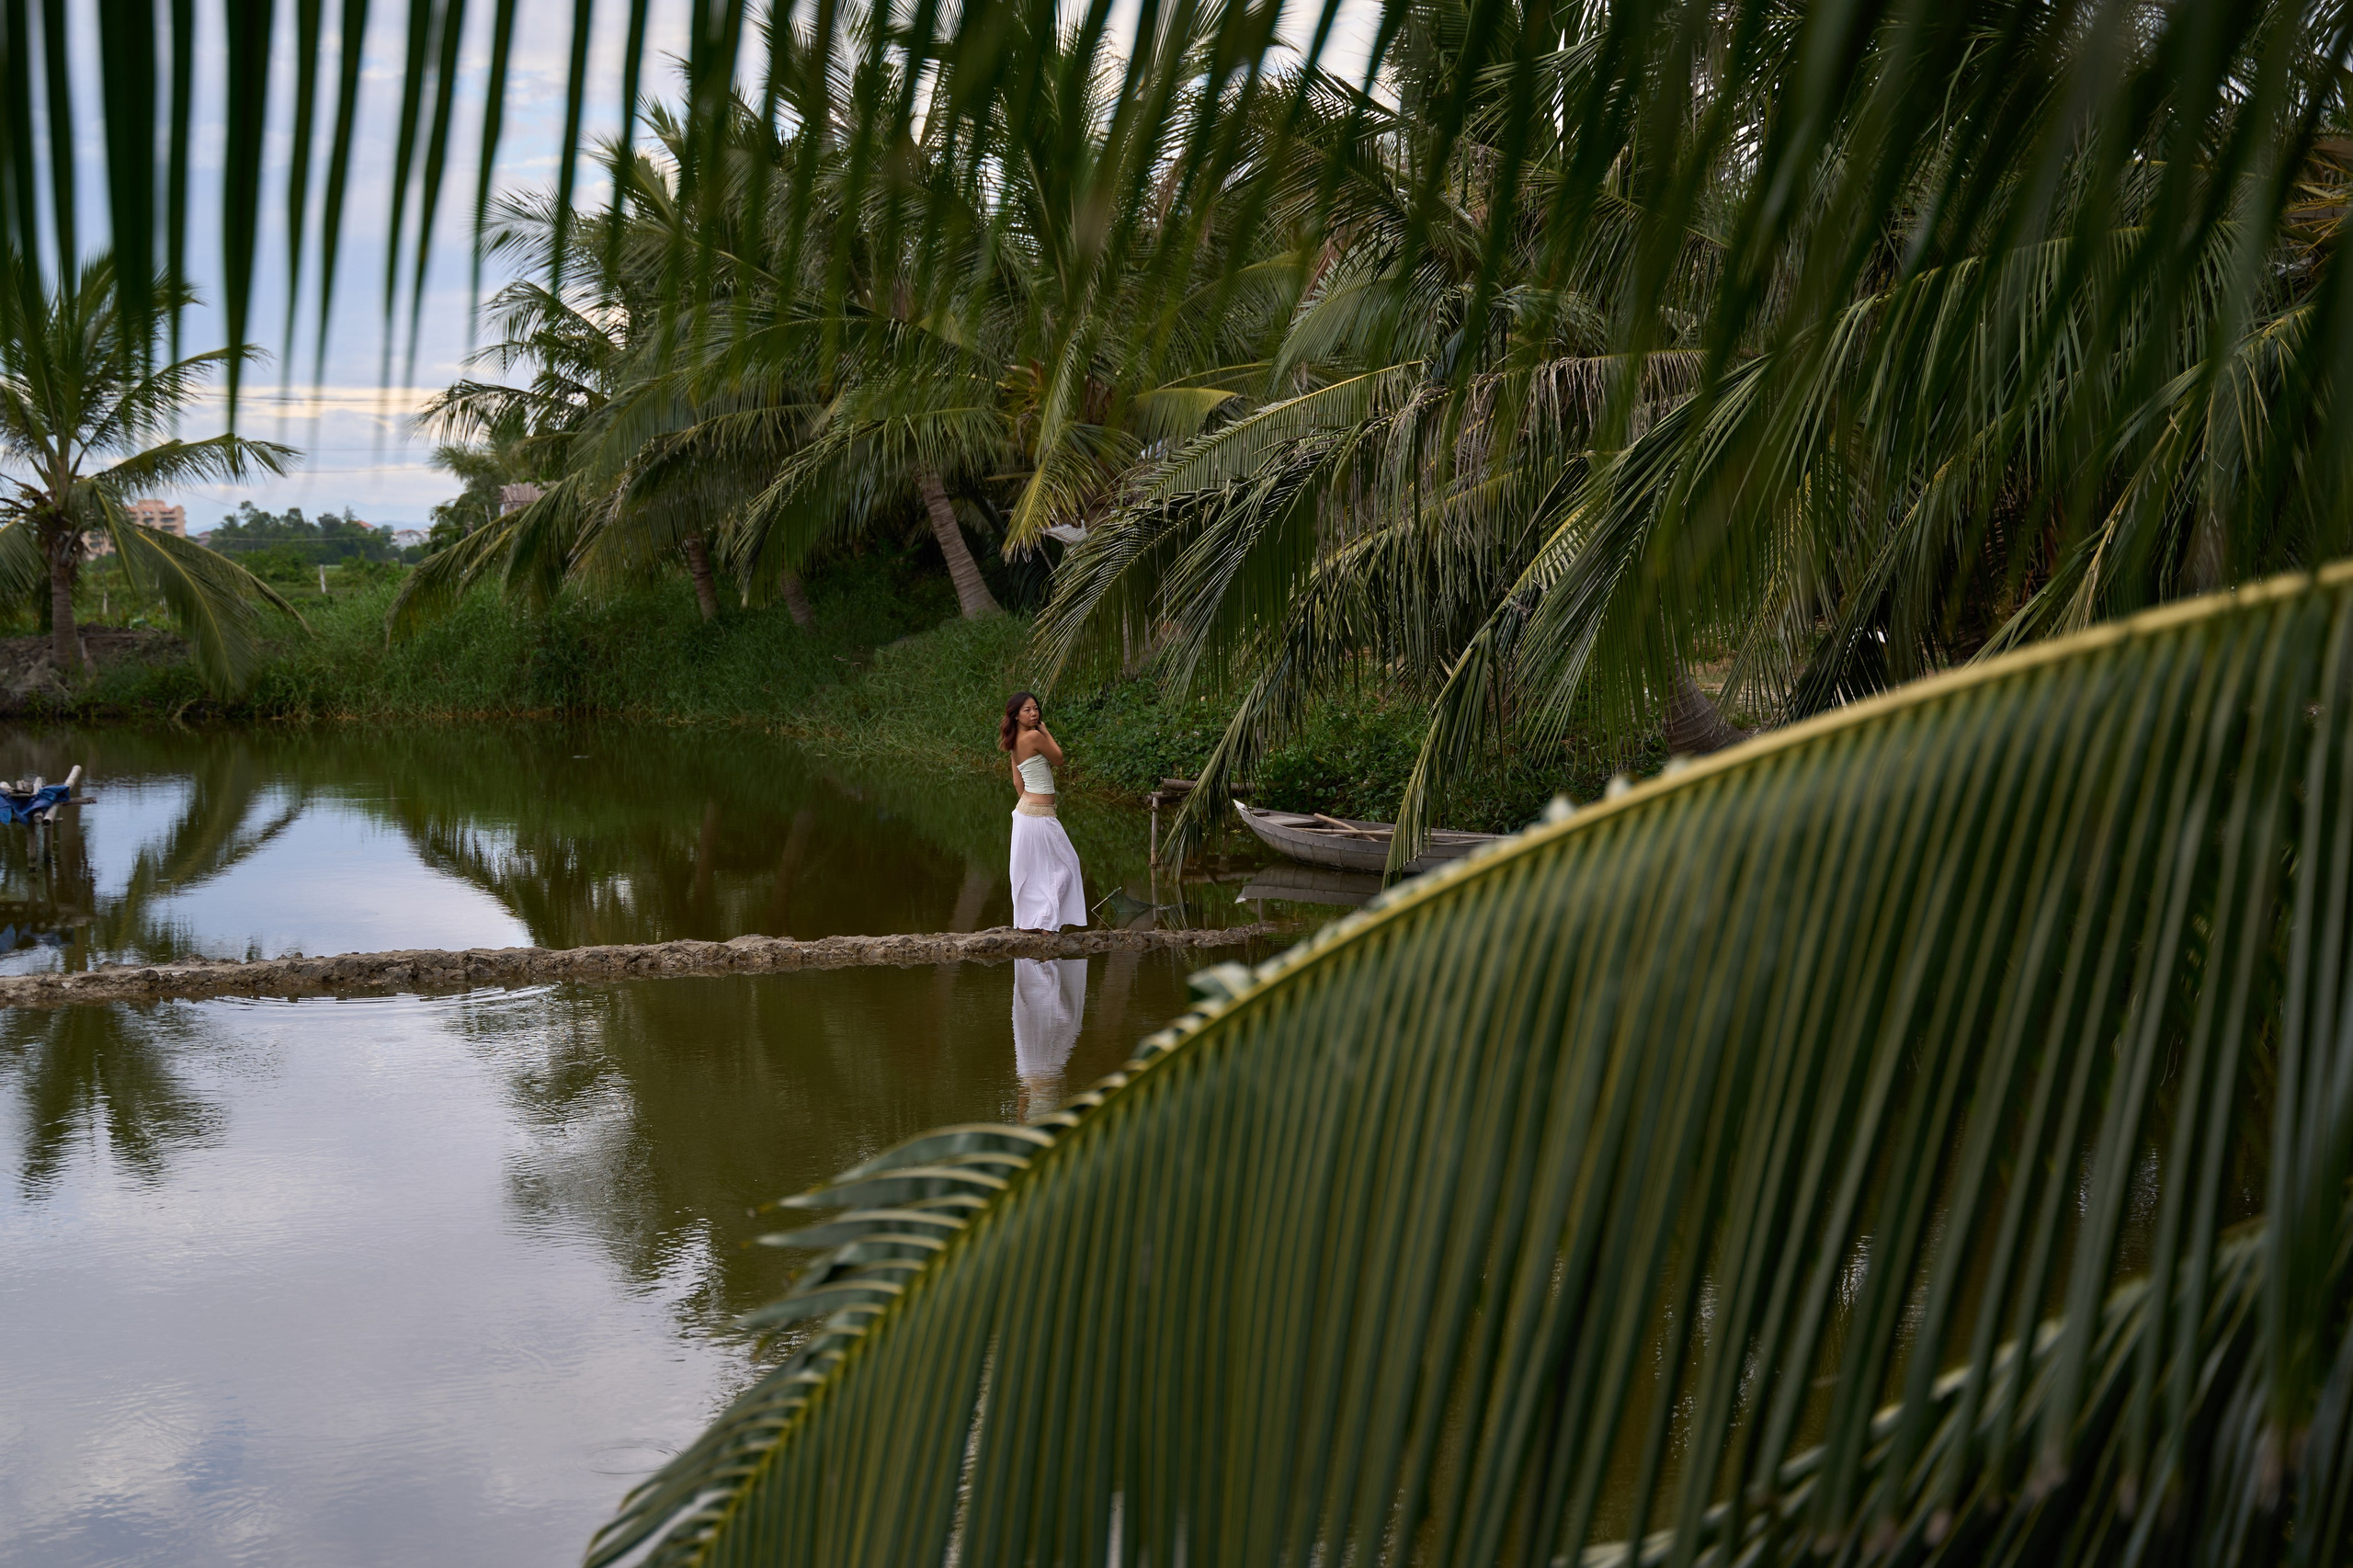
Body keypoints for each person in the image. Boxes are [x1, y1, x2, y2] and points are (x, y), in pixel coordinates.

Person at [1002, 691, 1086, 932]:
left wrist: (1029, 809)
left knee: (1035, 870)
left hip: (1026, 812)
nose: (1034, 713)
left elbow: (1018, 784)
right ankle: (1046, 922)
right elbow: (1059, 759)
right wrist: (1047, 732)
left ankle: (1035, 922)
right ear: (1016, 715)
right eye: (1027, 710)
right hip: (1038, 814)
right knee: (1068, 864)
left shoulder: (1014, 741)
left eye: (1036, 708)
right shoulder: (1034, 737)